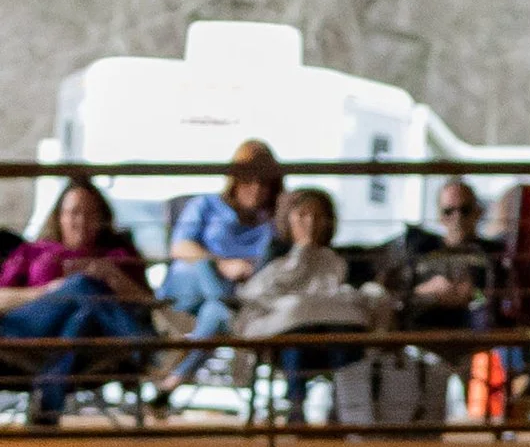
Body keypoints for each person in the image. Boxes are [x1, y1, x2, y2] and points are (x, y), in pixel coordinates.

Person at [187, 186, 387, 419]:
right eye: (303, 215)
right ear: (288, 218)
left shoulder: (341, 260)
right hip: (286, 342)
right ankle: (296, 407)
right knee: (295, 336)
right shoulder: (275, 255)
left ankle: (346, 411)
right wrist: (302, 252)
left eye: (318, 216)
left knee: (340, 334)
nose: (310, 223)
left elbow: (355, 296)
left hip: (333, 335)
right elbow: (259, 294)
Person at [0, 178, 156, 422]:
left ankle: (48, 406)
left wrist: (110, 275)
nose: (81, 221)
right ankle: (139, 344)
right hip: (27, 329)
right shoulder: (34, 252)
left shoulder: (117, 255)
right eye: (73, 213)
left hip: (89, 339)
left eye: (90, 214)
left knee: (81, 317)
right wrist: (54, 289)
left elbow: (147, 302)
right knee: (82, 285)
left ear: (102, 219)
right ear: (59, 216)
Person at [160, 140, 286, 391]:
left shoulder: (272, 224)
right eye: (249, 180)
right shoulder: (205, 205)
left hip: (234, 296)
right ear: (235, 179)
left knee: (217, 312)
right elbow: (180, 247)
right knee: (202, 266)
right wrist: (222, 264)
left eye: (264, 183)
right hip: (190, 288)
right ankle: (234, 315)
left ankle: (173, 382)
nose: (256, 189)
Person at [380, 178, 505, 330]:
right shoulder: (420, 250)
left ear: (477, 212)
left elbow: (501, 297)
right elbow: (393, 295)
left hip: (475, 336)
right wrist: (427, 291)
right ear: (440, 216)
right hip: (422, 334)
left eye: (464, 210)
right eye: (449, 211)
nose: (457, 217)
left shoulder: (493, 253)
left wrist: (473, 293)